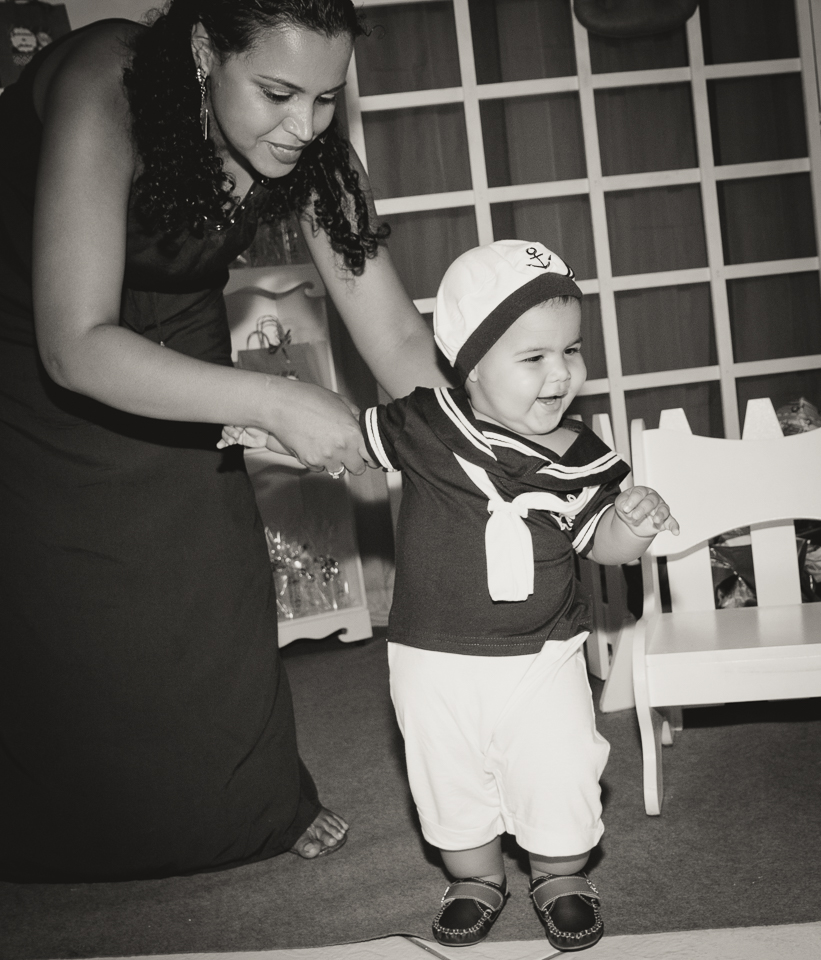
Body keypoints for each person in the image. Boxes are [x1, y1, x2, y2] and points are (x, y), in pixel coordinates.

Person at [0, 0, 445, 883]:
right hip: (34, 329)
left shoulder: (311, 149)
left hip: (176, 316)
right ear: (206, 51)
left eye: (326, 98)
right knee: (63, 599)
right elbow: (74, 346)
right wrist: (276, 401)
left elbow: (394, 335)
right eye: (277, 93)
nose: (304, 126)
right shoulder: (108, 82)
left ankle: (253, 804)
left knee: (208, 565)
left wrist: (488, 441)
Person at [359, 240, 680, 951]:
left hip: (543, 653)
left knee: (557, 765)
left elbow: (598, 543)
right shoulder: (425, 425)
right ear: (470, 363)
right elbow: (343, 442)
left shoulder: (579, 455)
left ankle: (560, 874)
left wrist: (630, 527)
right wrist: (266, 428)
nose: (561, 373)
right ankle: (475, 877)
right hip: (432, 656)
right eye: (534, 357)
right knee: (447, 776)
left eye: (572, 350)